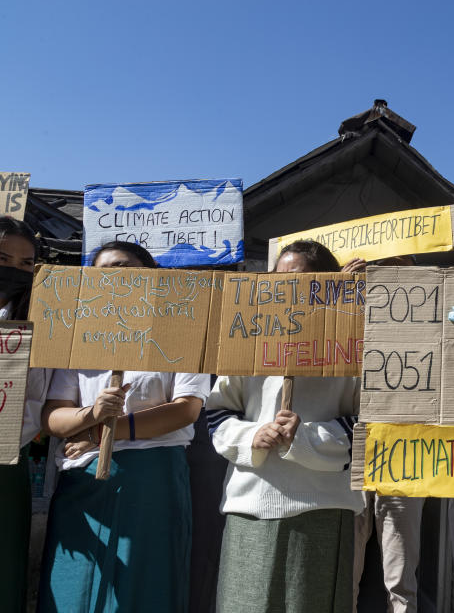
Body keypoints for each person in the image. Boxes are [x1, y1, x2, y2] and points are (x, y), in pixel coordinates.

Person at [37, 241, 209, 613]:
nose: (115, 277)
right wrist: (91, 415)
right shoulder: (77, 337)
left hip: (150, 478)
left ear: (151, 275)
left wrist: (102, 434)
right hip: (83, 483)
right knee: (74, 589)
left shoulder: (180, 331)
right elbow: (53, 417)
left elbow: (185, 410)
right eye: (103, 272)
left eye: (125, 267)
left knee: (140, 588)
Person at [207, 239, 362, 613]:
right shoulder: (246, 339)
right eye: (281, 279)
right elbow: (218, 412)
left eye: (303, 279)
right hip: (251, 503)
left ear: (327, 282)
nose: (289, 287)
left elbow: (369, 423)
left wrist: (305, 437)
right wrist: (252, 436)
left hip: (323, 507)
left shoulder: (356, 341)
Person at [343, 253, 425, 613]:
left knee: (401, 572)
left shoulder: (425, 324)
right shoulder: (340, 325)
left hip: (405, 454)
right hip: (348, 454)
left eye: (394, 270)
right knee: (345, 570)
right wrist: (341, 290)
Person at [0, 216, 52, 613]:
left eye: (24, 264)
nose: (13, 271)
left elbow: (35, 405)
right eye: (3, 259)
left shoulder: (39, 329)